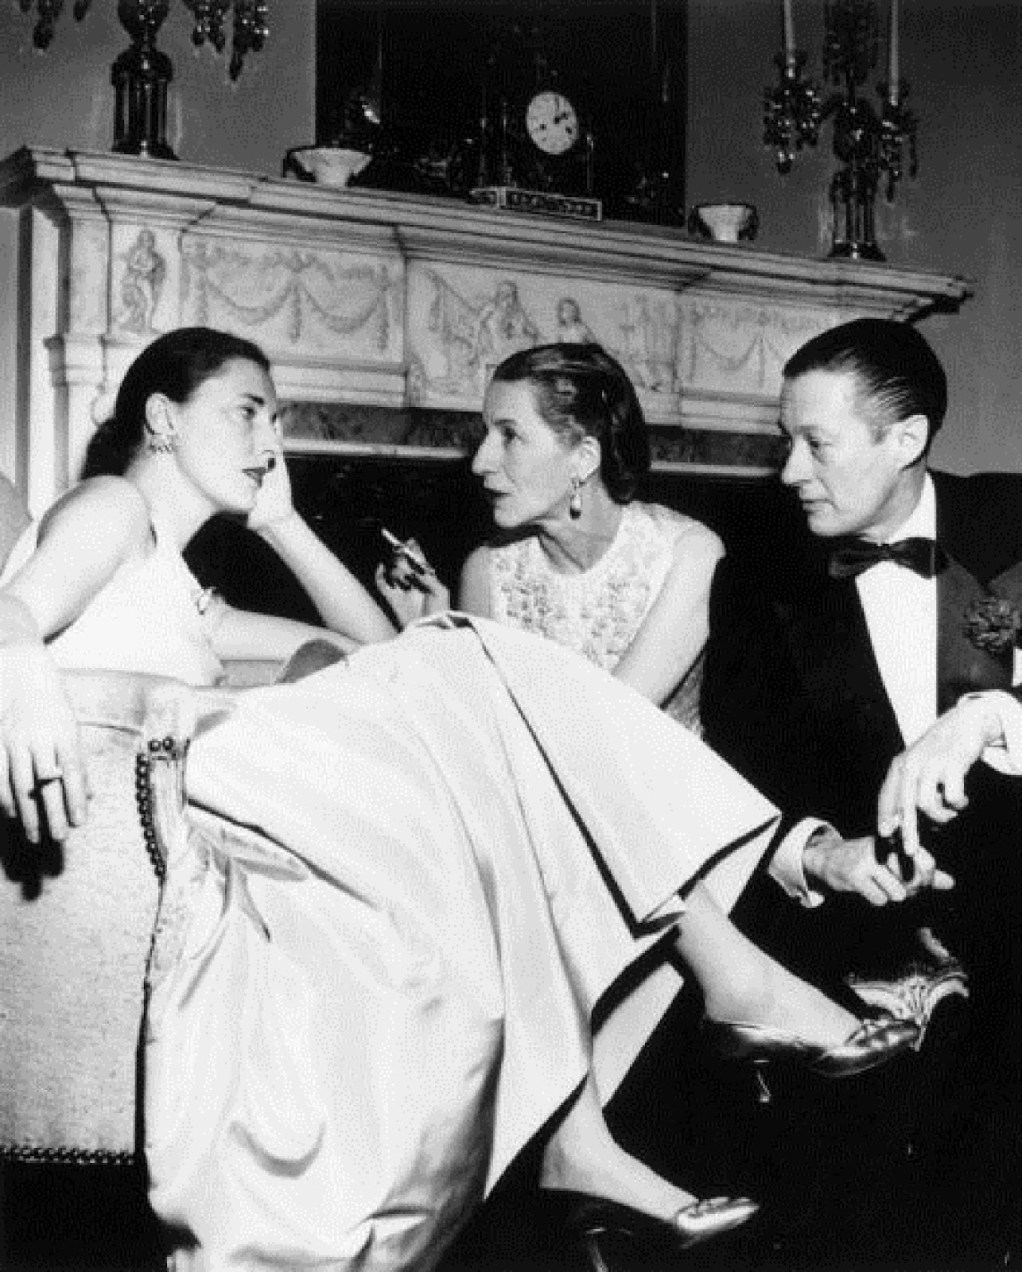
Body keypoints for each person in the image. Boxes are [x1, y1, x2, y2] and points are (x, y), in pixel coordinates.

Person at [0, 327, 919, 1270]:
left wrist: (283, 525)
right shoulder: (111, 506)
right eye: (247, 412)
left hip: (203, 809)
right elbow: (15, 608)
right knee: (470, 693)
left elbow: (375, 652)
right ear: (162, 418)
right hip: (177, 819)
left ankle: (590, 1128)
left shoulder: (179, 584)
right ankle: (718, 998)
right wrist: (19, 656)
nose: (270, 441)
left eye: (275, 419)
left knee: (455, 681)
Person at [701, 316, 1022, 1266]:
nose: (790, 472)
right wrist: (820, 854)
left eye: (816, 443)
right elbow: (738, 762)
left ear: (906, 438)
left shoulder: (1015, 525)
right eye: (784, 442)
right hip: (865, 932)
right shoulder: (756, 574)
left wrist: (988, 715)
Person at [383, 343, 722, 733]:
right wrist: (433, 638)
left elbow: (608, 730)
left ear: (583, 458)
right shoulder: (488, 570)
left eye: (510, 435)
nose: (480, 462)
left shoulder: (689, 554)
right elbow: (481, 734)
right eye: (487, 434)